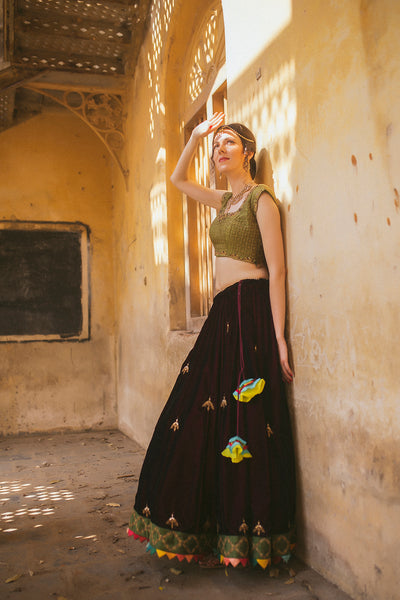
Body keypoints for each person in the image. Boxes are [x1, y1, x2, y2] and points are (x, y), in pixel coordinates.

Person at [128, 113, 296, 569]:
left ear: (248, 153)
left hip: (249, 310)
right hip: (223, 311)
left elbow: (276, 271)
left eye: (227, 143)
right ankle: (205, 530)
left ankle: (248, 538)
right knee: (193, 409)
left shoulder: (262, 201)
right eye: (215, 145)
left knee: (244, 418)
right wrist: (196, 136)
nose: (218, 150)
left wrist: (279, 338)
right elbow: (178, 181)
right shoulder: (224, 201)